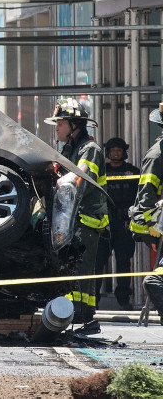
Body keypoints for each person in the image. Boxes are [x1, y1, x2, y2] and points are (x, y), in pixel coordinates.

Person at [44, 97, 109, 325]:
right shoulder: (71, 149)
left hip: (87, 220)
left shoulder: (89, 149)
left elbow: (79, 181)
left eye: (60, 124)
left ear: (74, 125)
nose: (57, 128)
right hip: (74, 219)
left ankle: (82, 313)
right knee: (73, 269)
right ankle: (79, 313)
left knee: (80, 269)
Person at [95, 137, 140, 310]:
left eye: (119, 150)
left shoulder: (133, 172)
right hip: (104, 225)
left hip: (124, 225)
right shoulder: (102, 171)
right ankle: (94, 299)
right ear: (108, 152)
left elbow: (139, 197)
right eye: (113, 150)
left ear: (124, 152)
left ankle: (123, 300)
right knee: (98, 263)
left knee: (123, 263)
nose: (115, 153)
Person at [130, 103, 163, 318]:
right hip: (159, 225)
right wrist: (149, 222)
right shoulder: (157, 156)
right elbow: (146, 198)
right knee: (155, 280)